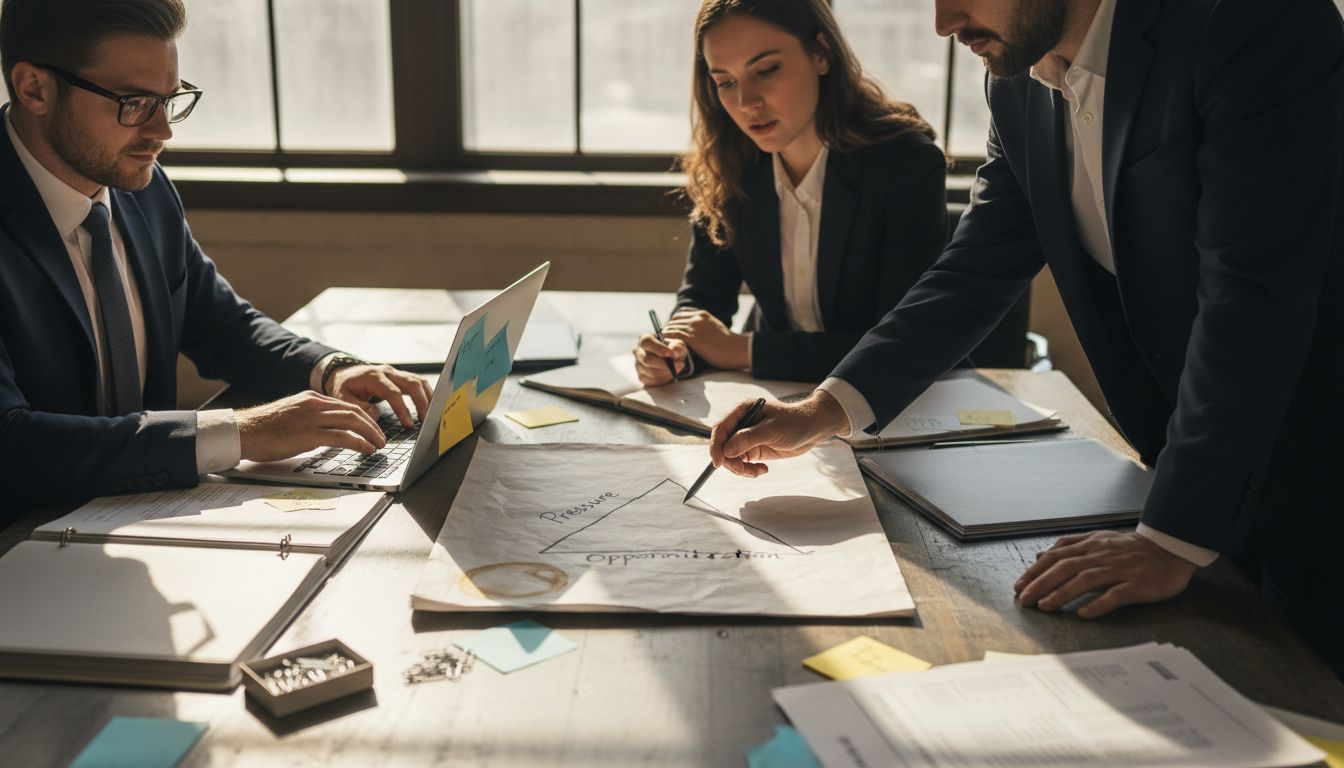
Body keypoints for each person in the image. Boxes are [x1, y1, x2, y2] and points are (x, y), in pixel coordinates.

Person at [707, 0, 1344, 674]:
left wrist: (1172, 538)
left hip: (1317, 468)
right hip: (1184, 476)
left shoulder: (1257, 22)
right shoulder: (1016, 79)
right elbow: (974, 271)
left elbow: (1251, 297)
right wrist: (821, 411)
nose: (944, 22)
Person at [0, 0, 433, 515]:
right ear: (34, 89)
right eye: (134, 103)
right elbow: (11, 443)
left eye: (170, 99)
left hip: (137, 514)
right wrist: (241, 433)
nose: (162, 132)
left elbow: (222, 324)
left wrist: (329, 368)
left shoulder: (140, 186)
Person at [633, 0, 947, 385]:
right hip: (774, 394)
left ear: (821, 54)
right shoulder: (731, 165)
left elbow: (900, 346)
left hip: (893, 405)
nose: (747, 103)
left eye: (766, 70)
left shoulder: (906, 165)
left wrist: (743, 350)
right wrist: (677, 352)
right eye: (725, 82)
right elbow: (704, 302)